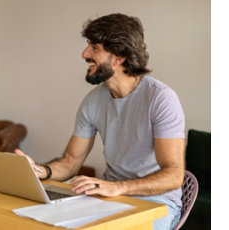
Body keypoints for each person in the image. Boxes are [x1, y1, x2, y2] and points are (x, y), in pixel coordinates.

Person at [15, 13, 185, 230]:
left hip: (158, 202)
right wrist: (40, 171)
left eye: (94, 47)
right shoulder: (93, 101)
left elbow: (174, 175)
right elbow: (70, 162)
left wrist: (118, 187)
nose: (84, 54)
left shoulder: (160, 99)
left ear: (119, 56)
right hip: (107, 198)